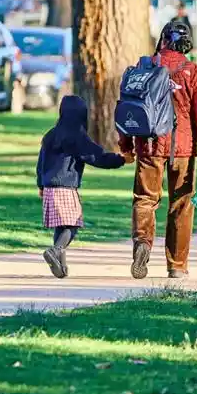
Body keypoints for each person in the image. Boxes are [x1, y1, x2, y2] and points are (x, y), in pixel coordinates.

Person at [120, 19, 197, 280]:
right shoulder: (193, 72)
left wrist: (126, 146)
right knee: (181, 204)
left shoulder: (144, 67)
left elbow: (127, 108)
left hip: (148, 145)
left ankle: (142, 242)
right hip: (183, 150)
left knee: (145, 199)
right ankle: (176, 265)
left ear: (162, 39)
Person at [36, 95, 126, 278]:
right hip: (66, 187)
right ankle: (56, 250)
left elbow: (41, 162)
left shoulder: (50, 135)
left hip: (49, 187)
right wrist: (120, 160)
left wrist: (40, 184)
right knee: (72, 224)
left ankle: (61, 266)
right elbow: (96, 156)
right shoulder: (76, 136)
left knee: (61, 226)